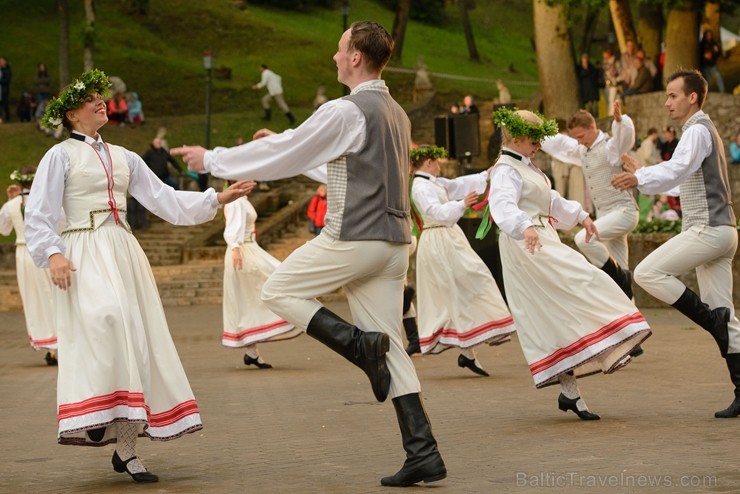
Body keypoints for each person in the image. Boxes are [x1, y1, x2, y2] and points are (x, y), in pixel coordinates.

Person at [172, 21, 447, 487]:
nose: (335, 58)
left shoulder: (346, 109)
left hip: (354, 238)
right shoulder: (396, 113)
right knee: (391, 348)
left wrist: (213, 159)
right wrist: (274, 145)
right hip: (394, 244)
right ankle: (424, 452)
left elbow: (291, 151)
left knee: (277, 288)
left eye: (340, 50)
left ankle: (358, 347)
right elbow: (329, 163)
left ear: (356, 56)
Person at [25, 69, 254, 483]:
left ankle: (127, 450)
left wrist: (216, 197)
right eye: (91, 99)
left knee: (137, 339)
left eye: (102, 97)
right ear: (72, 115)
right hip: (82, 251)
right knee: (104, 320)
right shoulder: (59, 156)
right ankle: (97, 408)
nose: (101, 103)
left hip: (123, 251)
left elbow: (164, 199)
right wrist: (53, 253)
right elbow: (38, 214)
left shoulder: (125, 157)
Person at [488, 106, 650, 420]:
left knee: (555, 311)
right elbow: (502, 205)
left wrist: (581, 217)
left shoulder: (526, 165)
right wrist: (525, 227)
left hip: (539, 236)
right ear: (519, 138)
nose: (539, 144)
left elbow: (549, 200)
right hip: (527, 244)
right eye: (534, 139)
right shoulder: (506, 169)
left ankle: (570, 393)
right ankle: (616, 328)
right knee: (581, 281)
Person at [612, 69, 740, 419]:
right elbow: (680, 181)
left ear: (692, 97)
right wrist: (645, 173)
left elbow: (678, 168)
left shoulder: (697, 129)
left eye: (672, 95)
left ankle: (710, 321)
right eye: (667, 96)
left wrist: (640, 176)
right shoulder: (700, 130)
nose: (667, 102)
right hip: (721, 231)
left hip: (710, 230)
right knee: (727, 319)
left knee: (647, 272)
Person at [409, 144, 515, 375]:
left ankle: (469, 350)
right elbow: (436, 212)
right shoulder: (420, 186)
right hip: (438, 239)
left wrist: (488, 173)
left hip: (448, 238)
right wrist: (462, 204)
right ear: (428, 163)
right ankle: (475, 340)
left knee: (466, 284)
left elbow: (458, 184)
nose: (439, 165)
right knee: (462, 284)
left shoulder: (432, 182)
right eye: (437, 162)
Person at [541, 101, 638, 305]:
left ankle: (623, 280)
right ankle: (630, 312)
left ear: (593, 128)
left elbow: (624, 139)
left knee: (584, 239)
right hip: (605, 215)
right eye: (575, 138)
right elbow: (559, 144)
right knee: (619, 265)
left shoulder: (610, 147)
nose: (579, 141)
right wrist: (535, 129)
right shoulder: (582, 150)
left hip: (624, 211)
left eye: (581, 136)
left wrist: (621, 122)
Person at [222, 182, 302, 368]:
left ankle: (251, 353)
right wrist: (235, 247)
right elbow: (233, 227)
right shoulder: (235, 201)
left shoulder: (242, 199)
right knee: (256, 293)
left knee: (253, 295)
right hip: (243, 251)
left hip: (249, 248)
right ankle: (296, 315)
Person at [0, 167, 58, 366]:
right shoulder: (46, 201)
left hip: (24, 253)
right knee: (53, 294)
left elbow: (3, 229)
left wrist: (10, 202)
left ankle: (51, 345)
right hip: (44, 249)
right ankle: (57, 344)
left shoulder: (12, 205)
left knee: (34, 297)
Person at [700, 29, 725, 93]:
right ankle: (708, 92)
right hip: (704, 64)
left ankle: (722, 91)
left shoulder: (714, 43)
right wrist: (704, 55)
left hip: (712, 64)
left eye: (710, 35)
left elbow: (718, 53)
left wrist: (715, 51)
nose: (709, 36)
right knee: (707, 80)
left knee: (718, 76)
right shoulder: (702, 44)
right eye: (708, 35)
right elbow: (699, 53)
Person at [577, 53, 601, 118]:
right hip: (586, 91)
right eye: (583, 58)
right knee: (589, 107)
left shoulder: (592, 67)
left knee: (595, 107)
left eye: (586, 58)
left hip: (593, 90)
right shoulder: (579, 69)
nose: (585, 60)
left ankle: (596, 118)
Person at [601, 48, 622, 116]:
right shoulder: (604, 63)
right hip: (606, 84)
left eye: (605, 54)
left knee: (612, 99)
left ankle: (612, 114)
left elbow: (620, 71)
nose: (604, 56)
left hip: (614, 83)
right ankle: (610, 113)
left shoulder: (615, 62)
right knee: (608, 100)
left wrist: (614, 76)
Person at [0, 57, 12, 122]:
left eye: (1, 61)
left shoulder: (7, 70)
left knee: (5, 104)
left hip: (4, 90)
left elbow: (7, 80)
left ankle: (8, 118)